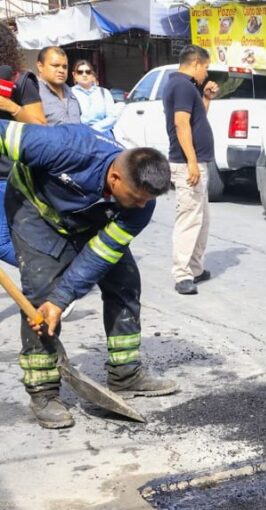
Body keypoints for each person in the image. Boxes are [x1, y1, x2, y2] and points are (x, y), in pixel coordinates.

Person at [3, 120, 177, 429]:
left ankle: (125, 374)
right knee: (40, 294)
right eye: (137, 197)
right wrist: (52, 301)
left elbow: (101, 254)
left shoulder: (141, 205)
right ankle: (43, 391)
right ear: (115, 177)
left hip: (91, 221)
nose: (142, 205)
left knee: (124, 282)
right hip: (35, 210)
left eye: (147, 200)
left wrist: (63, 299)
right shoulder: (64, 147)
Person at [164, 45, 220, 295]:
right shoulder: (182, 86)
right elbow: (181, 124)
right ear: (196, 63)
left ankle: (195, 268)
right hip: (188, 164)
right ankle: (182, 274)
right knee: (189, 218)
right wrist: (192, 162)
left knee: (201, 219)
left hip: (195, 162)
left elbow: (198, 120)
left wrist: (206, 98)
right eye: (205, 68)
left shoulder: (188, 88)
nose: (206, 74)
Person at [0, 25, 47, 268]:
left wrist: (10, 107)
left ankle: (53, 279)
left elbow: (40, 126)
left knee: (2, 242)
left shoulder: (20, 80)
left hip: (10, 174)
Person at [35, 47, 81, 126]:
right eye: (55, 65)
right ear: (40, 66)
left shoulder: (70, 92)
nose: (61, 70)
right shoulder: (33, 91)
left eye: (65, 67)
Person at [71, 60, 119, 135]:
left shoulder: (103, 92)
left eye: (88, 72)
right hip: (80, 136)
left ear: (92, 74)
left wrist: (94, 130)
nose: (84, 74)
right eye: (80, 72)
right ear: (74, 75)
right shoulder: (70, 93)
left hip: (103, 136)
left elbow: (112, 117)